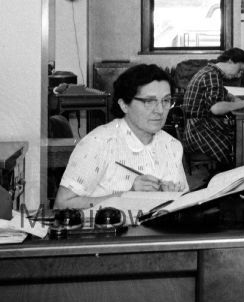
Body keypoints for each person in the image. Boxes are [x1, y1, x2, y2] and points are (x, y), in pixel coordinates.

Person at [56, 62, 188, 210]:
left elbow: (184, 202)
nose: (160, 110)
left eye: (166, 100)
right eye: (149, 101)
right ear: (124, 105)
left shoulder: (172, 145)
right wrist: (127, 196)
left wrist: (170, 195)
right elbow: (62, 204)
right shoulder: (99, 143)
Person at [179, 48, 244, 184]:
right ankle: (225, 181)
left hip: (196, 126)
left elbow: (222, 93)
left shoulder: (209, 71)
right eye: (240, 70)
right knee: (242, 140)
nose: (239, 75)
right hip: (198, 130)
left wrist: (234, 99)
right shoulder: (212, 75)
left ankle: (221, 176)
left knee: (239, 135)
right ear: (230, 61)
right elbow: (216, 108)